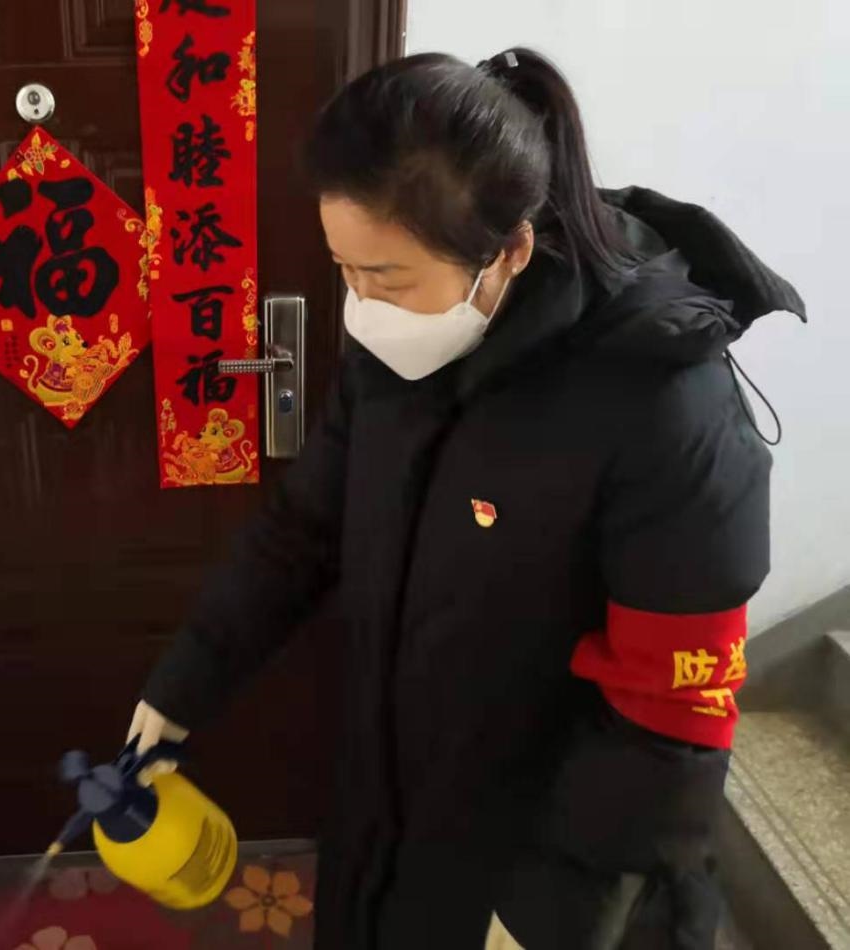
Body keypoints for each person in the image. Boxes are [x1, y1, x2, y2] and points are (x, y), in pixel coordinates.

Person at [128, 48, 805, 949]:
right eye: (344, 269)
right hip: (390, 807)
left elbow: (667, 716)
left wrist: (548, 918)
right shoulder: (400, 347)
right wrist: (186, 682)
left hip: (540, 859)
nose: (359, 305)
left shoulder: (663, 405)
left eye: (386, 278)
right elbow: (302, 529)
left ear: (508, 251)